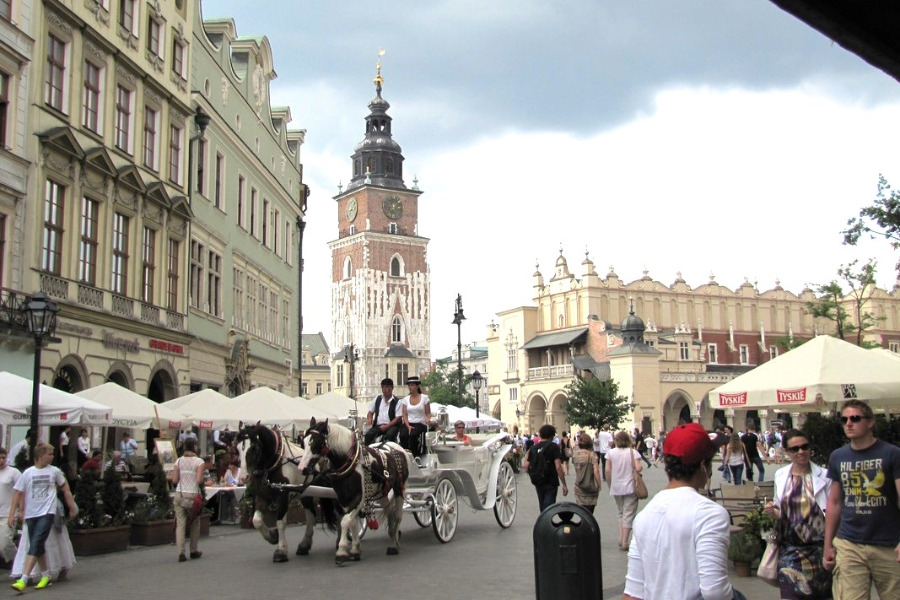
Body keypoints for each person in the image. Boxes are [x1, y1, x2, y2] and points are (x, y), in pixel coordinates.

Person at [623, 423, 746, 600]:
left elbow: (633, 592)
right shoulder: (710, 514)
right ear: (704, 465)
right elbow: (715, 591)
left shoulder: (645, 515)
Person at [823, 400, 900, 600]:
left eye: (855, 418)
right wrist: (828, 543)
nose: (849, 423)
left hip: (888, 544)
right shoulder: (838, 456)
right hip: (849, 542)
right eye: (844, 419)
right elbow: (834, 502)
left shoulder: (891, 454)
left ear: (870, 422)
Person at [763, 429, 833, 600]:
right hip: (790, 553)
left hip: (818, 552)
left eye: (804, 447)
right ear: (787, 452)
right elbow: (782, 513)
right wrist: (773, 511)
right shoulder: (781, 475)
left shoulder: (825, 475)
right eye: (795, 449)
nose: (801, 452)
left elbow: (833, 510)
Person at [8, 443, 77, 592]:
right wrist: (13, 513)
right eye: (49, 454)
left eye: (52, 454)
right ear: (40, 456)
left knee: (37, 542)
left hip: (48, 512)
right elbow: (18, 493)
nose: (52, 457)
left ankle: (24, 579)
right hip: (31, 513)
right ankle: (46, 575)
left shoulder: (55, 471)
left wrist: (72, 507)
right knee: (37, 545)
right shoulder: (28, 473)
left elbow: (66, 489)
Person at [606, 430, 643, 551]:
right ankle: (625, 541)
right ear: (628, 440)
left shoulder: (610, 453)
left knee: (620, 512)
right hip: (630, 486)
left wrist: (610, 484)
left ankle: (621, 537)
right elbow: (638, 467)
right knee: (628, 513)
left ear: (616, 441)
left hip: (616, 486)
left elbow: (607, 470)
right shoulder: (633, 452)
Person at [170, 438, 205, 563]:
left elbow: (174, 480)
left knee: (180, 523)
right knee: (195, 522)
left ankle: (181, 553)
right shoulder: (199, 461)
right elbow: (199, 480)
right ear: (194, 447)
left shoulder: (178, 461)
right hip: (193, 494)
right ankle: (193, 550)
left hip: (179, 493)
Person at [522, 424, 568, 512]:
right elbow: (558, 467)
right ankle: (545, 522)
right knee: (549, 506)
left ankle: (542, 522)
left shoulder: (534, 448)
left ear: (540, 435)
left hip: (538, 480)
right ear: (552, 435)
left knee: (542, 504)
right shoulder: (554, 447)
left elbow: (526, 466)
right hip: (551, 480)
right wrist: (564, 484)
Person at [399, 376, 431, 459]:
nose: (410, 387)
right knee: (403, 435)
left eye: (412, 385)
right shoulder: (405, 399)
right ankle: (405, 454)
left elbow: (428, 413)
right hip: (409, 422)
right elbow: (404, 414)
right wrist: (407, 425)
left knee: (413, 435)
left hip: (420, 423)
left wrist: (428, 418)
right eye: (409, 385)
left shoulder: (424, 398)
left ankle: (415, 455)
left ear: (417, 386)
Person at [364, 378, 402, 445]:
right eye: (383, 387)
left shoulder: (397, 402)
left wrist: (387, 426)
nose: (385, 389)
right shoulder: (378, 399)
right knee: (368, 435)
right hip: (378, 426)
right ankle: (368, 452)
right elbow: (370, 412)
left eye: (387, 387)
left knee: (390, 435)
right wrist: (369, 418)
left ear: (392, 388)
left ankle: (389, 453)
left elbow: (397, 418)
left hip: (392, 426)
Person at [0, 449, 21, 563]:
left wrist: (20, 510)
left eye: (4, 457)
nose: (2, 460)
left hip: (8, 513)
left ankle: (19, 561)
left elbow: (21, 492)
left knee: (4, 543)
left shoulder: (14, 472)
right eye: (0, 458)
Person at [572, 432, 601, 514]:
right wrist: (599, 485)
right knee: (590, 513)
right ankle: (589, 526)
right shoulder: (592, 455)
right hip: (591, 486)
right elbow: (596, 471)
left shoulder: (575, 455)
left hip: (579, 486)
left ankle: (583, 525)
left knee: (582, 512)